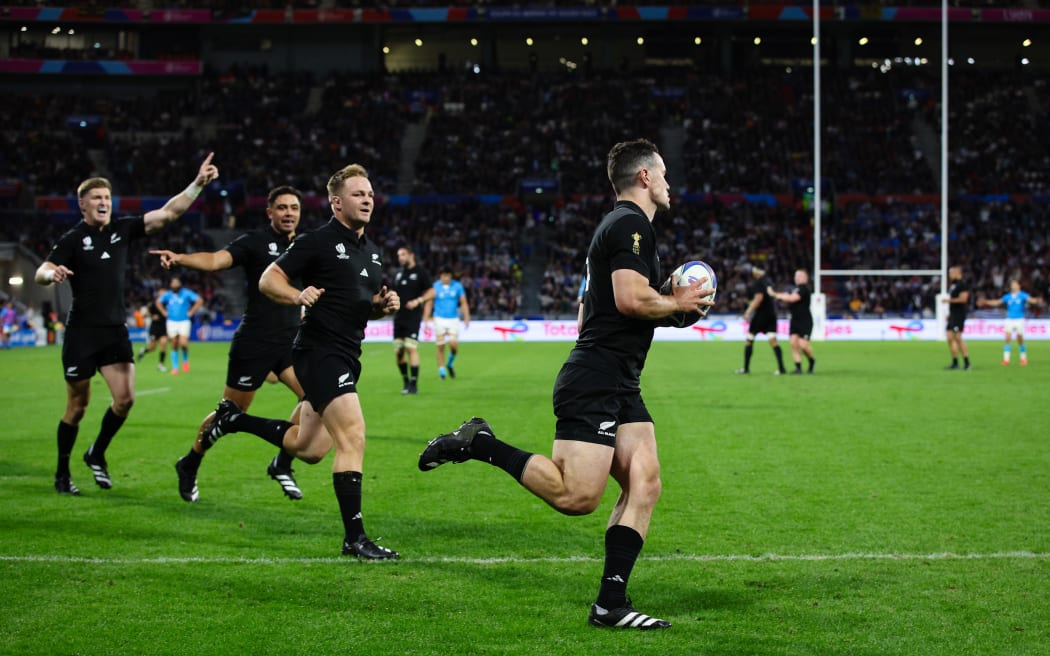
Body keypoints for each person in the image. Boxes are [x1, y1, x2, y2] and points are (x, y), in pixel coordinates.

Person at [418, 139, 713, 629]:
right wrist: (673, 303)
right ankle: (481, 443)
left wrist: (668, 307)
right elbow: (628, 301)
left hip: (617, 379)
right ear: (643, 177)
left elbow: (593, 313)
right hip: (596, 379)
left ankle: (609, 605)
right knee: (577, 498)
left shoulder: (617, 231)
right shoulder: (629, 225)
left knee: (645, 482)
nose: (668, 183)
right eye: (662, 174)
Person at [197, 164, 401, 559]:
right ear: (336, 202)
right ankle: (355, 539)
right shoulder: (317, 240)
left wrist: (379, 307)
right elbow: (268, 279)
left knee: (308, 449)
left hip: (346, 353)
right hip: (319, 352)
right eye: (359, 194)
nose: (367, 200)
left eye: (371, 195)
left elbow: (358, 307)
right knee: (353, 437)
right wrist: (296, 296)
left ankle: (232, 419)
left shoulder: (372, 253)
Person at [34, 153, 219, 495]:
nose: (104, 203)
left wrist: (197, 185)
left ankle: (96, 453)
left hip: (114, 331)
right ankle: (62, 473)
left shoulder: (122, 229)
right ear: (82, 205)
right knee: (77, 407)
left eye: (106, 198)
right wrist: (52, 273)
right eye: (97, 199)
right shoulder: (74, 239)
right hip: (82, 333)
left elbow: (168, 214)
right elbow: (41, 271)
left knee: (125, 399)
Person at [151, 186, 308, 503]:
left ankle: (282, 463)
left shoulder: (305, 246)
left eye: (294, 207)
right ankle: (189, 463)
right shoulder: (255, 242)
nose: (289, 213)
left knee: (315, 400)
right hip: (254, 343)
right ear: (270, 212)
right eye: (282, 208)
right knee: (228, 413)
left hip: (290, 342)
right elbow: (215, 260)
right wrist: (181, 259)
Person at [392, 245, 434, 395]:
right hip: (398, 318)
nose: (400, 258)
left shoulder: (421, 273)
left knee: (411, 348)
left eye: (403, 254)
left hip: (412, 318)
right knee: (398, 352)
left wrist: (418, 301)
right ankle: (406, 382)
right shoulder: (398, 275)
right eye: (398, 255)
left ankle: (414, 384)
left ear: (411, 255)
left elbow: (432, 292)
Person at [978, 278, 1042, 366]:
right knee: (1007, 338)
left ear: (1019, 286)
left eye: (1014, 284)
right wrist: (986, 302)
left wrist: (1037, 300)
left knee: (1020, 339)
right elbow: (997, 302)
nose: (1013, 285)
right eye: (1012, 284)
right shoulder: (1007, 296)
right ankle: (1006, 360)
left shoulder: (1022, 295)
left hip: (1019, 319)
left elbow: (1031, 300)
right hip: (1009, 319)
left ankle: (1023, 358)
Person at [737, 265, 786, 375]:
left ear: (757, 273)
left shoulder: (758, 283)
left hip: (761, 315)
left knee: (749, 339)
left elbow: (758, 299)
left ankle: (745, 368)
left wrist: (748, 312)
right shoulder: (769, 282)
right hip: (771, 314)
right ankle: (782, 368)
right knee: (773, 340)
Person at [424, 265, 470, 379]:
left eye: (448, 275)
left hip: (453, 319)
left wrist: (467, 317)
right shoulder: (435, 286)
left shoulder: (457, 286)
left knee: (453, 346)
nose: (446, 278)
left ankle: (449, 364)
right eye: (444, 275)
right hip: (439, 319)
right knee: (441, 346)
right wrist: (425, 319)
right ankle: (442, 371)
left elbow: (463, 302)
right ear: (441, 276)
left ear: (451, 276)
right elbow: (429, 303)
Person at [769, 269, 816, 374]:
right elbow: (789, 300)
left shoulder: (804, 289)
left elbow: (792, 299)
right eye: (796, 275)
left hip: (805, 321)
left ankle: (811, 360)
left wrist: (775, 295)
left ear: (806, 278)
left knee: (803, 345)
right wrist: (782, 299)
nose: (797, 277)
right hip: (795, 320)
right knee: (793, 344)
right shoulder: (795, 289)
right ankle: (798, 367)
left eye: (799, 275)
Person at [156, 277, 202, 375]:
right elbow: (158, 302)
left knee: (183, 343)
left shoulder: (186, 293)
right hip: (171, 321)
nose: (174, 285)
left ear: (180, 284)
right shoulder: (168, 295)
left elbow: (199, 300)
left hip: (184, 321)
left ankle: (185, 360)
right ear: (171, 285)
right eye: (173, 283)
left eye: (176, 283)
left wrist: (192, 311)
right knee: (174, 343)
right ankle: (175, 368)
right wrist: (163, 311)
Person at [942, 265, 971, 371]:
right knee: (950, 338)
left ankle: (967, 363)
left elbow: (963, 299)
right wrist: (950, 313)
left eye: (951, 272)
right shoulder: (953, 285)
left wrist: (948, 301)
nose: (950, 275)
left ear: (957, 273)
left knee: (958, 338)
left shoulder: (963, 284)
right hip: (953, 314)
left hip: (959, 314)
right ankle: (955, 363)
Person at [136, 288, 169, 372]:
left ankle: (161, 365)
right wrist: (152, 316)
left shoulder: (168, 303)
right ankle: (143, 351)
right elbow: (145, 315)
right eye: (162, 294)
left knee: (164, 344)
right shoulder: (153, 304)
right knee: (152, 347)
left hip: (163, 327)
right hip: (154, 328)